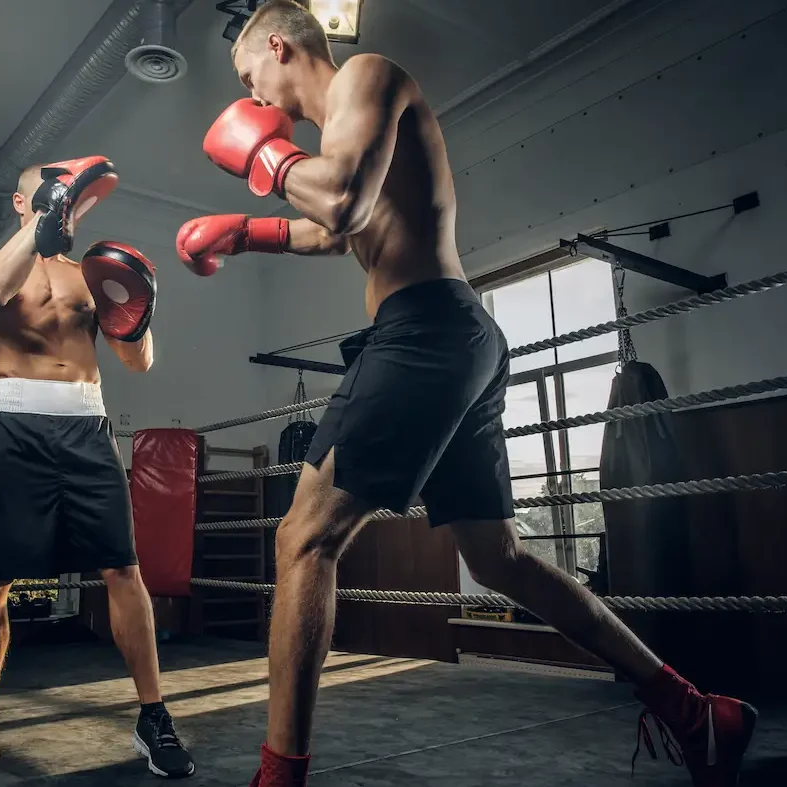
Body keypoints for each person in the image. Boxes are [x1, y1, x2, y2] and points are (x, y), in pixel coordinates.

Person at [175, 2, 756, 786]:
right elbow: (340, 229)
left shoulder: (366, 76)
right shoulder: (342, 124)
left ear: (278, 46)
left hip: (425, 330)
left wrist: (262, 159)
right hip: (457, 334)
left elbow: (341, 200)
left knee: (301, 539)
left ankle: (279, 775)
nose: (254, 100)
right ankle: (694, 708)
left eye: (251, 78)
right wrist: (246, 230)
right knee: (501, 557)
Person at [0, 156, 195, 779]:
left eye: (76, 205)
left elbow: (137, 364)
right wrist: (44, 222)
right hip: (15, 425)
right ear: (26, 205)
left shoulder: (89, 277)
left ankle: (153, 717)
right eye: (59, 201)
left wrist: (138, 312)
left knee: (122, 568)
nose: (73, 215)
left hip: (86, 425)